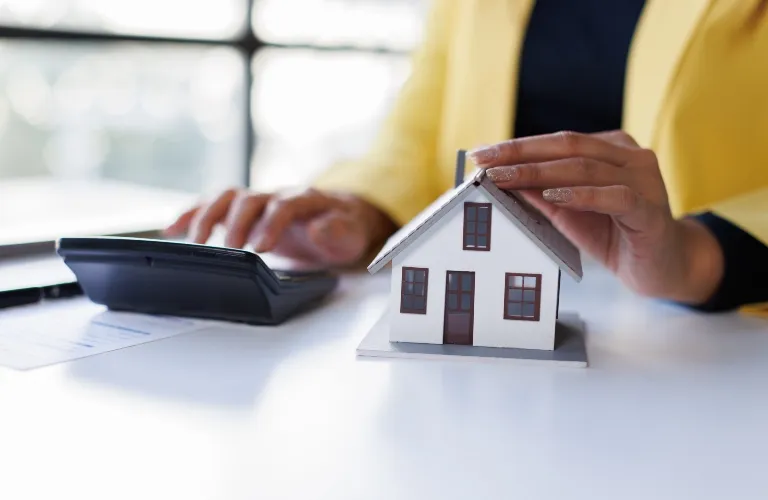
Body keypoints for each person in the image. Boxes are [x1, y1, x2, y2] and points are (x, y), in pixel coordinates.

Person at [167, 0, 768, 311]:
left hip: (714, 339)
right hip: (492, 339)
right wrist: (363, 210)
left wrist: (697, 254)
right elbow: (422, 126)